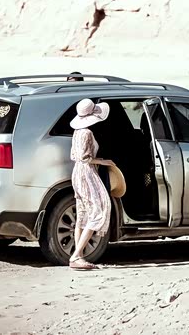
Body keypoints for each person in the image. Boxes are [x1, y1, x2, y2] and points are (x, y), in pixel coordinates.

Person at [68, 98, 113, 270]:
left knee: (82, 213)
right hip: (87, 173)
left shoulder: (77, 132)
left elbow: (74, 156)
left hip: (77, 172)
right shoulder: (86, 133)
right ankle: (76, 255)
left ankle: (78, 255)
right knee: (98, 210)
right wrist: (103, 161)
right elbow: (85, 158)